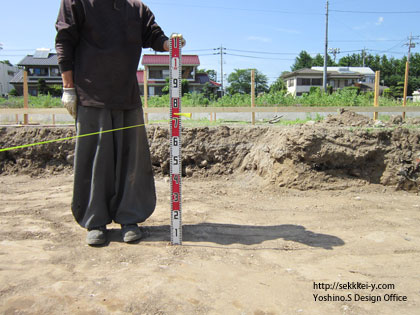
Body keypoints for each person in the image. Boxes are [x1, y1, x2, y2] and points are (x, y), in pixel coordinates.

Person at [55, 0, 181, 245]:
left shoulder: (136, 8)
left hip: (127, 97)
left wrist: (170, 43)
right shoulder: (76, 2)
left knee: (131, 160)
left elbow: (153, 35)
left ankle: (129, 218)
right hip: (91, 97)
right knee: (95, 161)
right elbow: (64, 41)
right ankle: (96, 221)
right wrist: (68, 88)